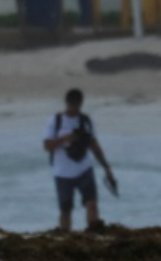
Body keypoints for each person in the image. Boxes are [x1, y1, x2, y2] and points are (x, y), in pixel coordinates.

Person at [42, 88, 118, 232]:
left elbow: (94, 145)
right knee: (65, 209)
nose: (74, 108)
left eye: (77, 105)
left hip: (84, 169)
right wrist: (65, 139)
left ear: (81, 104)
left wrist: (107, 167)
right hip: (62, 173)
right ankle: (64, 237)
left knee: (92, 204)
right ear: (66, 103)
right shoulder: (55, 121)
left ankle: (94, 234)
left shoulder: (86, 121)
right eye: (72, 104)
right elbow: (47, 146)